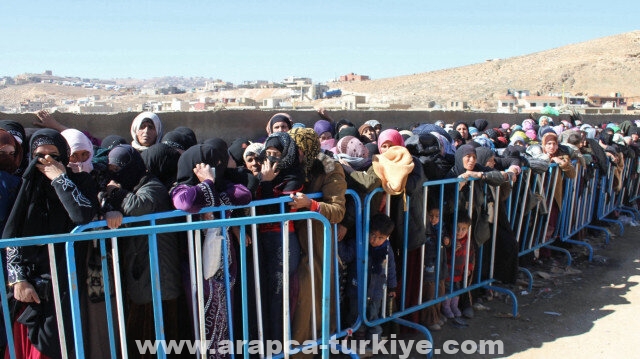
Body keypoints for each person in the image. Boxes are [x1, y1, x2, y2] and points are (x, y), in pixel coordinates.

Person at [3, 128, 98, 359]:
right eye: (40, 156)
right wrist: (18, 280)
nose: (46, 162)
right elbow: (12, 235)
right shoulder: (24, 188)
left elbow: (81, 215)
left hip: (68, 282)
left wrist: (60, 179)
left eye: (54, 156)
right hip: (32, 288)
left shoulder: (81, 182)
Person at [100, 144, 187, 358]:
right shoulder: (137, 185)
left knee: (162, 335)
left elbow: (136, 207)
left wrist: (114, 191)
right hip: (147, 274)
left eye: (117, 169)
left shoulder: (152, 186)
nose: (115, 175)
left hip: (159, 277)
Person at [170, 142, 252, 358]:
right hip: (198, 267)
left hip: (225, 266)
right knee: (202, 321)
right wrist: (207, 183)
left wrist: (214, 187)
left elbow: (244, 195)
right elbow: (185, 203)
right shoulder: (180, 187)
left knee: (225, 320)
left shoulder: (221, 185)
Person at [287, 127, 347, 346]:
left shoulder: (330, 167)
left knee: (312, 299)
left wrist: (310, 204)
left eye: (300, 150)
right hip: (292, 239)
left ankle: (312, 349)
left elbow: (338, 210)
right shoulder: (290, 165)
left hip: (316, 243)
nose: (296, 154)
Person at [255, 132, 305, 342]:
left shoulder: (294, 177)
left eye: (276, 154)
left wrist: (266, 183)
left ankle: (279, 347)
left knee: (279, 298)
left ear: (286, 154)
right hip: (263, 240)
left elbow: (278, 209)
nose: (271, 159)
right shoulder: (263, 174)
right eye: (268, 154)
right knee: (264, 295)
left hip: (282, 242)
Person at [361, 213, 397, 341]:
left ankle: (375, 343)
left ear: (387, 237)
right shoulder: (361, 244)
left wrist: (392, 287)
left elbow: (391, 268)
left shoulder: (386, 249)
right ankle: (359, 344)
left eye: (380, 237)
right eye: (373, 235)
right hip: (360, 289)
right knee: (357, 316)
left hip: (376, 291)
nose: (375, 240)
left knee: (373, 317)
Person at [420, 206, 450, 331]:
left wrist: (448, 241)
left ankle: (437, 314)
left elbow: (447, 241)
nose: (433, 219)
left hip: (440, 265)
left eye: (437, 216)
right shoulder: (425, 228)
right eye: (431, 215)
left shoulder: (442, 228)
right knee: (430, 292)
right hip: (430, 265)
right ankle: (430, 319)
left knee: (440, 290)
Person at [443, 211, 473, 320]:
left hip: (459, 272)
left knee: (456, 290)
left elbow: (470, 256)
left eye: (463, 229)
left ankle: (454, 306)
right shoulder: (448, 240)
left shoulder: (467, 241)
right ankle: (446, 307)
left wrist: (469, 268)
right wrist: (453, 249)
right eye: (457, 228)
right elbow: (444, 256)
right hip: (448, 272)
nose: (460, 232)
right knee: (446, 290)